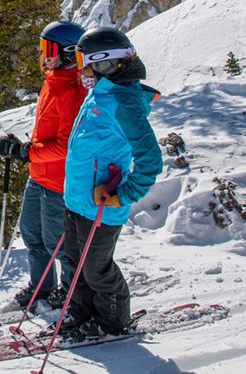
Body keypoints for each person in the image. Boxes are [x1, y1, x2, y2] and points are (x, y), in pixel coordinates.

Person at [60, 26, 163, 340]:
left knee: (96, 269)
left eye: (86, 63)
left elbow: (150, 160)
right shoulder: (100, 93)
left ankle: (114, 321)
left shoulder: (123, 102)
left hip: (104, 206)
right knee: (75, 264)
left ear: (106, 63)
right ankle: (81, 314)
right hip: (77, 200)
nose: (82, 70)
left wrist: (125, 194)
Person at [0, 20, 87, 309]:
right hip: (38, 176)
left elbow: (66, 146)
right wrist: (22, 148)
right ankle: (42, 288)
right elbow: (45, 133)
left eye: (49, 49)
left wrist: (26, 152)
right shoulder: (52, 82)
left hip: (57, 183)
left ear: (69, 53)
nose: (43, 55)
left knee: (57, 245)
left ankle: (74, 296)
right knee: (32, 235)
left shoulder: (73, 92)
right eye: (42, 48)